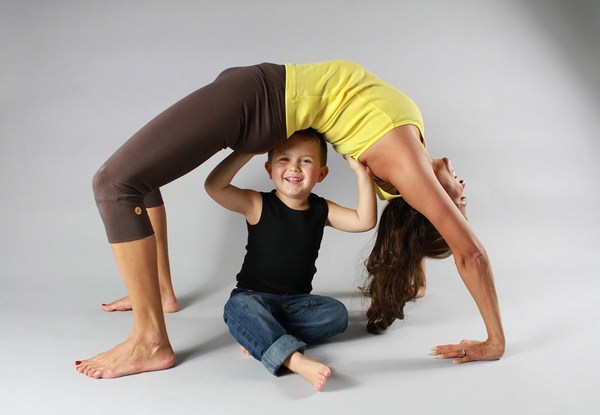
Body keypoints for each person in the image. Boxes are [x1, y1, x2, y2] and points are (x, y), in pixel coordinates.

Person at [77, 60, 504, 379]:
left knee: (114, 185)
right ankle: (160, 293)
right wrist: (416, 272)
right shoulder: (408, 162)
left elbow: (470, 252)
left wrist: (493, 342)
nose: (461, 187)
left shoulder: (408, 167)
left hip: (259, 100)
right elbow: (418, 220)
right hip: (259, 89)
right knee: (141, 175)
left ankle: (150, 340)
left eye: (459, 201)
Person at [204, 130, 376, 390]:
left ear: (321, 174)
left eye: (305, 161)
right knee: (237, 308)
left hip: (297, 303)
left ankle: (257, 335)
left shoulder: (322, 209)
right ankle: (293, 359)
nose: (294, 167)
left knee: (337, 314)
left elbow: (364, 221)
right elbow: (214, 186)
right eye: (284, 159)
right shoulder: (256, 203)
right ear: (269, 169)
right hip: (254, 298)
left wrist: (363, 177)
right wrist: (248, 150)